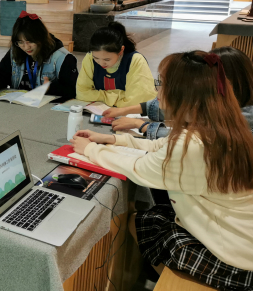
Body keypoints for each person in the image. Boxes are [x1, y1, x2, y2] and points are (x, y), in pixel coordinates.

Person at [71, 50, 253, 289]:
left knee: (143, 223)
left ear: (183, 94)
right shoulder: (222, 125)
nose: (157, 92)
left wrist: (90, 150)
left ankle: (173, 282)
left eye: (163, 84)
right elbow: (160, 145)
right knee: (149, 218)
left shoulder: (194, 146)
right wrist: (113, 140)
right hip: (239, 239)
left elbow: (138, 168)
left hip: (235, 258)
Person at [103, 46, 253, 139]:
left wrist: (140, 125)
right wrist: (125, 110)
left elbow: (189, 139)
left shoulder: (239, 118)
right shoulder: (215, 101)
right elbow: (174, 109)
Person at [0, 11, 77, 99]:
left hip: (45, 109)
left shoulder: (62, 58)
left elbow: (73, 90)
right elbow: (2, 73)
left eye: (30, 41)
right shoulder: (16, 51)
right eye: (20, 42)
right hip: (19, 105)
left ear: (41, 37)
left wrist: (50, 88)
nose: (26, 47)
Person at [76, 22, 156, 107]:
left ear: (121, 50)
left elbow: (138, 101)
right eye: (96, 58)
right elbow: (81, 93)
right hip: (101, 110)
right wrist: (120, 96)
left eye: (107, 59)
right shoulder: (90, 57)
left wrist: (99, 96)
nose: (101, 63)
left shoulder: (135, 60)